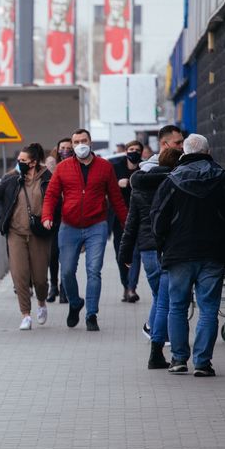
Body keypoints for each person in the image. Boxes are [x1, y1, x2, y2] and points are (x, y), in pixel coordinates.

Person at [150, 134, 225, 377]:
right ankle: (203, 362)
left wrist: (164, 245)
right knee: (208, 308)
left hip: (178, 254)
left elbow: (157, 220)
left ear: (184, 151)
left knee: (177, 307)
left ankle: (178, 359)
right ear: (208, 151)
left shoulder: (171, 181)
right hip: (213, 254)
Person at [41, 129, 127, 331]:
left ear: (91, 142)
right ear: (72, 145)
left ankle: (91, 314)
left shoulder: (105, 167)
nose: (80, 144)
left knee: (94, 271)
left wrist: (126, 223)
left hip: (96, 225)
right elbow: (51, 195)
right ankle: (75, 302)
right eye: (76, 141)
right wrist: (46, 217)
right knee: (67, 272)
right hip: (69, 226)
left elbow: (116, 198)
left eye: (84, 140)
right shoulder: (63, 168)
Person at [0, 143, 53, 330]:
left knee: (39, 278)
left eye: (23, 161)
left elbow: (55, 203)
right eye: (18, 160)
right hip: (16, 234)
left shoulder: (47, 179)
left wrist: (50, 221)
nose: (19, 163)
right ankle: (25, 315)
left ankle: (42, 302)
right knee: (19, 275)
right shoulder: (13, 180)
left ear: (34, 162)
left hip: (39, 234)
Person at [120, 146, 184, 369]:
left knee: (159, 298)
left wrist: (125, 254)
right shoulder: (176, 184)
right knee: (165, 301)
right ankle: (158, 349)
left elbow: (131, 224)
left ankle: (157, 343)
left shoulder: (140, 186)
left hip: (147, 250)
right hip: (168, 249)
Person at [107, 141, 145, 303]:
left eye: (137, 150)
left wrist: (129, 183)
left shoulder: (144, 169)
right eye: (131, 149)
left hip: (138, 217)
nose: (134, 152)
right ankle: (125, 284)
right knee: (121, 254)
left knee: (135, 254)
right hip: (119, 219)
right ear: (126, 151)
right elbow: (106, 187)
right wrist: (117, 184)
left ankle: (131, 288)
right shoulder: (115, 167)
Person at [47, 137, 73, 304]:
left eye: (68, 148)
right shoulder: (51, 167)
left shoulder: (76, 166)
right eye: (62, 147)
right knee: (53, 254)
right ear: (57, 149)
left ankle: (65, 288)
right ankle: (53, 286)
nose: (65, 150)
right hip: (54, 218)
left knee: (67, 256)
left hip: (70, 218)